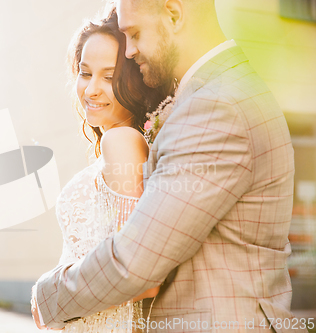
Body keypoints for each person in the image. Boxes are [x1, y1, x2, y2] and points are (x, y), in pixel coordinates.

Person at [33, 0, 302, 332]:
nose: (128, 51)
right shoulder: (212, 96)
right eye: (85, 73)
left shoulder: (217, 105)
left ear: (174, 15)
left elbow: (136, 264)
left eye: (135, 34)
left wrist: (46, 295)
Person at [30, 7, 171, 333]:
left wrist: (50, 294)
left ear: (134, 81)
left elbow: (136, 276)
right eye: (85, 72)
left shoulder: (122, 142)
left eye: (108, 77)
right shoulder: (124, 142)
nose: (91, 89)